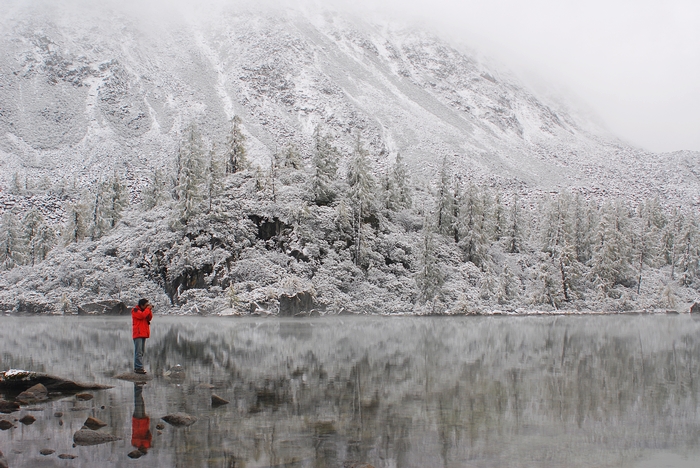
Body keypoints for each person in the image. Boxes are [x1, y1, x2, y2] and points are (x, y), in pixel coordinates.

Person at [131, 298, 153, 374]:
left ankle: (139, 367)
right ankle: (138, 367)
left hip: (143, 333)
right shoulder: (135, 310)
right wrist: (147, 309)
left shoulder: (145, 311)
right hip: (138, 333)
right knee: (138, 352)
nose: (147, 307)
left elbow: (149, 318)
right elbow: (142, 316)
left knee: (142, 351)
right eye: (146, 305)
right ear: (141, 305)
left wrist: (149, 310)